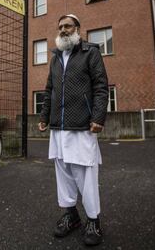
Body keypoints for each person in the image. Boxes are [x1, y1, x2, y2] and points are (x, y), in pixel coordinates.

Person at [38, 14, 108, 246]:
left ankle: (93, 221)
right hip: (58, 126)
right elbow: (49, 90)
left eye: (68, 26)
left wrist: (98, 117)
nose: (63, 30)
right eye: (60, 27)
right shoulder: (56, 56)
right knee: (63, 173)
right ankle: (71, 216)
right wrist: (44, 116)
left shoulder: (91, 52)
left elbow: (100, 86)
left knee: (85, 175)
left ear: (78, 28)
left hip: (82, 125)